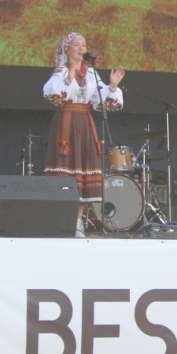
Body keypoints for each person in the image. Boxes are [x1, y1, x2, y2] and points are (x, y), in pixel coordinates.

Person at [43, 32, 125, 236]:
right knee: (67, 169)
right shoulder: (61, 70)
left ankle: (78, 222)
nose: (81, 49)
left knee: (85, 169)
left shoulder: (91, 74)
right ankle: (63, 221)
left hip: (85, 124)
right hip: (67, 123)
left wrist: (113, 86)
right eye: (77, 45)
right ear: (67, 49)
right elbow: (53, 95)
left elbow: (100, 102)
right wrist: (69, 79)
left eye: (84, 45)